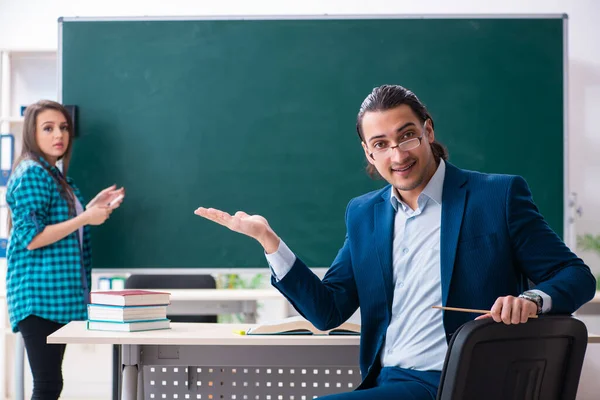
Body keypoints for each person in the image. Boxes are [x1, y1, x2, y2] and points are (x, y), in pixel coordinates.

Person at [194, 85, 596, 399]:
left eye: (406, 136)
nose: (397, 154)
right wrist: (269, 241)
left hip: (473, 379)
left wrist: (532, 300)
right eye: (381, 144)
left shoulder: (497, 196)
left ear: (428, 131)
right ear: (368, 154)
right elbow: (328, 311)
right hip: (393, 382)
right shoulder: (364, 214)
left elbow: (575, 275)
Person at [5, 100, 125, 400]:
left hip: (56, 295)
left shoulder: (57, 176)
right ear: (32, 134)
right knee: (47, 385)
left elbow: (66, 223)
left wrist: (89, 207)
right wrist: (85, 217)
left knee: (50, 384)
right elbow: (31, 238)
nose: (59, 134)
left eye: (63, 127)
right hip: (39, 295)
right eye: (48, 128)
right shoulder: (32, 173)